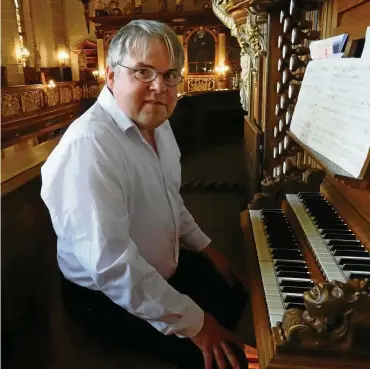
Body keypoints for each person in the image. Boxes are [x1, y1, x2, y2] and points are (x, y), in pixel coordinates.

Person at [41, 20, 257, 369]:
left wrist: (213, 253)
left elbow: (172, 202)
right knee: (224, 358)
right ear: (111, 76)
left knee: (234, 290)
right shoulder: (90, 147)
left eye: (170, 75)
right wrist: (199, 327)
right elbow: (112, 268)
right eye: (143, 71)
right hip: (105, 296)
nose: (159, 86)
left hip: (158, 268)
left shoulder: (158, 124)